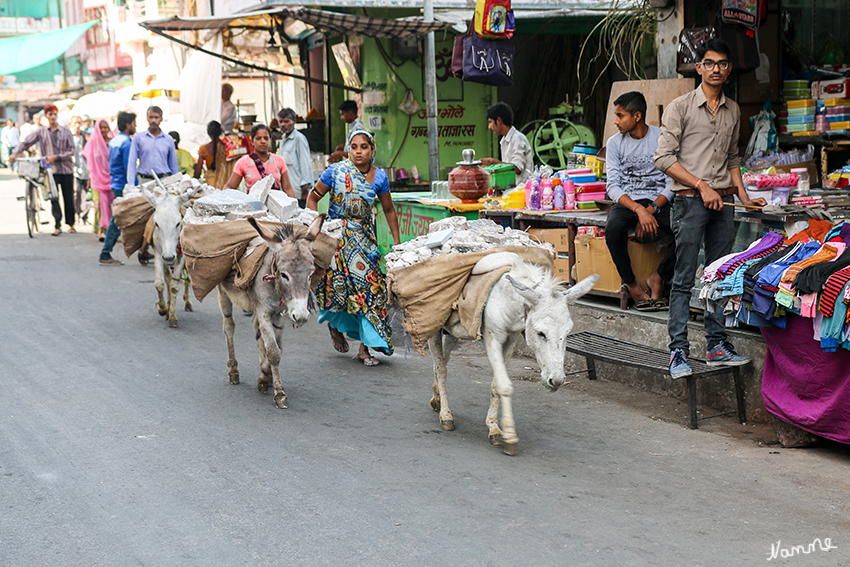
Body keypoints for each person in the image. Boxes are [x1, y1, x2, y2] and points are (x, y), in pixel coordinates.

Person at [654, 38, 767, 378]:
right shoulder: (681, 107)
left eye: (722, 63)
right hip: (690, 202)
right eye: (709, 63)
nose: (716, 69)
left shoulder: (733, 110)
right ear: (699, 67)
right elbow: (662, 158)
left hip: (724, 204)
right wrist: (701, 186)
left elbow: (734, 159)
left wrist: (745, 199)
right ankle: (678, 351)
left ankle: (717, 344)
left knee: (720, 277)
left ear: (728, 69)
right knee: (684, 278)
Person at [307, 129, 401, 367]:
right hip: (337, 240)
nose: (359, 152)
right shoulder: (335, 172)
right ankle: (336, 325)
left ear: (372, 150)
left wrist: (398, 243)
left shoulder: (379, 178)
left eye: (364, 147)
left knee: (370, 291)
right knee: (339, 292)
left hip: (365, 241)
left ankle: (364, 348)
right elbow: (312, 198)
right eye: (355, 147)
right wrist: (314, 229)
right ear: (349, 149)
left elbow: (389, 210)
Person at [603, 91, 676, 312]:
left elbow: (672, 181)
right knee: (613, 228)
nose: (616, 121)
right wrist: (639, 211)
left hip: (658, 201)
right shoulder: (614, 143)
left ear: (637, 116)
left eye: (620, 115)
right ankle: (633, 285)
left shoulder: (662, 137)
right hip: (628, 201)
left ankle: (659, 277)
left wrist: (652, 209)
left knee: (687, 230)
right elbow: (612, 186)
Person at [11, 104, 76, 236]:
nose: (52, 117)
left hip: (66, 170)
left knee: (68, 197)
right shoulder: (41, 131)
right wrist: (15, 152)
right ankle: (57, 225)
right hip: (50, 171)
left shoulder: (65, 131)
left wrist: (56, 157)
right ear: (46, 116)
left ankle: (71, 224)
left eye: (54, 114)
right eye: (50, 114)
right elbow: (26, 142)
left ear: (57, 116)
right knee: (54, 198)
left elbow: (72, 150)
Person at [99, 111, 136, 266]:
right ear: (128, 125)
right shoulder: (126, 143)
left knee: (118, 218)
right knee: (117, 219)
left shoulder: (115, 141)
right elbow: (130, 167)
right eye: (134, 123)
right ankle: (105, 252)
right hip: (123, 185)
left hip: (116, 183)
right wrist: (133, 187)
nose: (135, 126)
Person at [224, 124, 295, 197]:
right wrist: (222, 197)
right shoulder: (242, 162)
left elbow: (287, 188)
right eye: (258, 138)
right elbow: (230, 187)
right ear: (252, 141)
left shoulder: (279, 160)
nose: (263, 141)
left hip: (275, 206)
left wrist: (295, 206)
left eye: (266, 138)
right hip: (253, 206)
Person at [479, 102, 533, 184]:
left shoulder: (517, 138)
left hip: (521, 190)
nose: (489, 127)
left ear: (499, 120)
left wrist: (492, 161)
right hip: (510, 189)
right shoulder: (504, 140)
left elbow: (517, 169)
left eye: (491, 122)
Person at [127, 106, 178, 185]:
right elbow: (132, 162)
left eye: (156, 117)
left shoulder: (168, 139)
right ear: (147, 118)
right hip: (145, 181)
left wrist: (176, 183)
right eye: (151, 117)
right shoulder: (138, 138)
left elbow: (173, 164)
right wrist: (131, 184)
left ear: (161, 119)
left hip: (164, 180)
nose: (153, 120)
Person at [276, 108, 314, 207]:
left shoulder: (299, 138)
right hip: (285, 191)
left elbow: (305, 162)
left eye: (287, 121)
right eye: (281, 122)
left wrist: (305, 184)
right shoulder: (283, 140)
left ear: (294, 121)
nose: (283, 124)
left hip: (297, 190)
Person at [84, 119, 114, 238]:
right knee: (99, 206)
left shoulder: (113, 142)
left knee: (111, 206)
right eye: (101, 127)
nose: (103, 130)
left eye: (106, 127)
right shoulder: (92, 143)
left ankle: (110, 231)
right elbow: (90, 163)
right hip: (97, 180)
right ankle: (101, 230)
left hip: (110, 178)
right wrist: (90, 179)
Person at [70, 115, 92, 227]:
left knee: (87, 194)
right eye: (75, 123)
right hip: (74, 169)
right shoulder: (69, 136)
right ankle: (76, 213)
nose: (77, 125)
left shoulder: (85, 136)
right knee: (76, 192)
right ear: (71, 124)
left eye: (79, 123)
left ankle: (84, 215)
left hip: (85, 168)